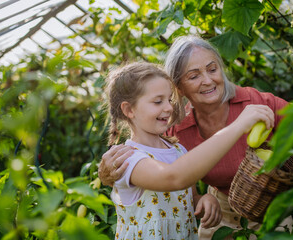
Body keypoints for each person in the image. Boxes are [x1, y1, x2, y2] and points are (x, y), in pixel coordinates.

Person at [99, 36, 293, 239]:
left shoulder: (255, 102)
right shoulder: (173, 129)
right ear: (179, 87)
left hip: (273, 208)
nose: (207, 80)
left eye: (212, 69)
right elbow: (167, 174)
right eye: (194, 76)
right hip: (221, 213)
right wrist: (106, 174)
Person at [103, 61, 275, 239]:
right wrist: (238, 125)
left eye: (169, 99)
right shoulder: (127, 159)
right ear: (129, 109)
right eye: (157, 101)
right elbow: (173, 178)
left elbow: (190, 199)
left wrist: (204, 201)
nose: (169, 107)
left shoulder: (178, 150)